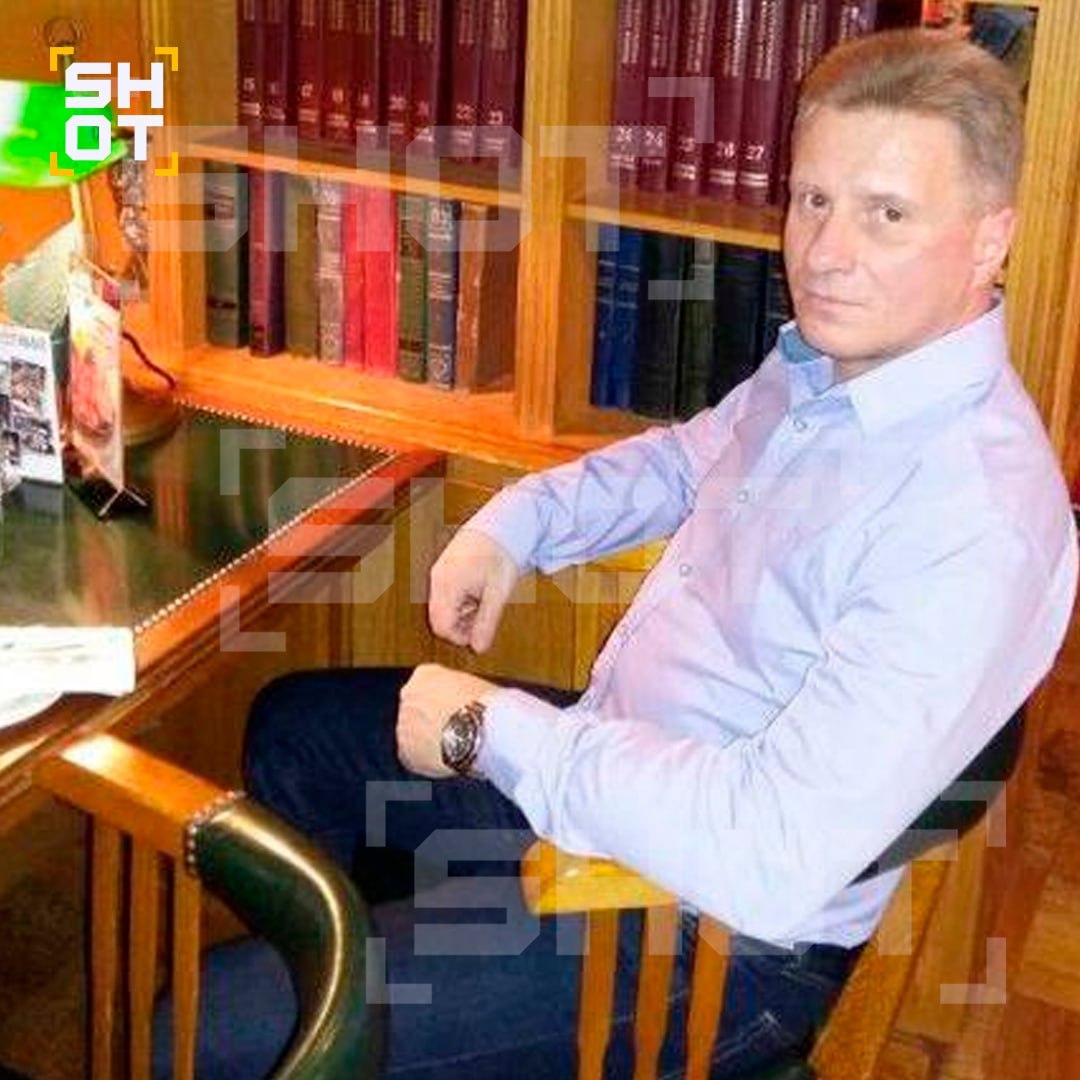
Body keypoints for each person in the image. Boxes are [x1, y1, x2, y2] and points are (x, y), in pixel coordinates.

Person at [162, 28, 1078, 1080]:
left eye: (888, 215)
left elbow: (768, 853)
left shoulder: (973, 519)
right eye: (813, 199)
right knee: (293, 735)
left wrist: (490, 728)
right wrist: (517, 524)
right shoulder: (835, 366)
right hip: (617, 767)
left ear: (991, 239)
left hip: (712, 934)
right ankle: (421, 1016)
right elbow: (683, 461)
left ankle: (395, 1020)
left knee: (202, 1033)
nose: (825, 254)